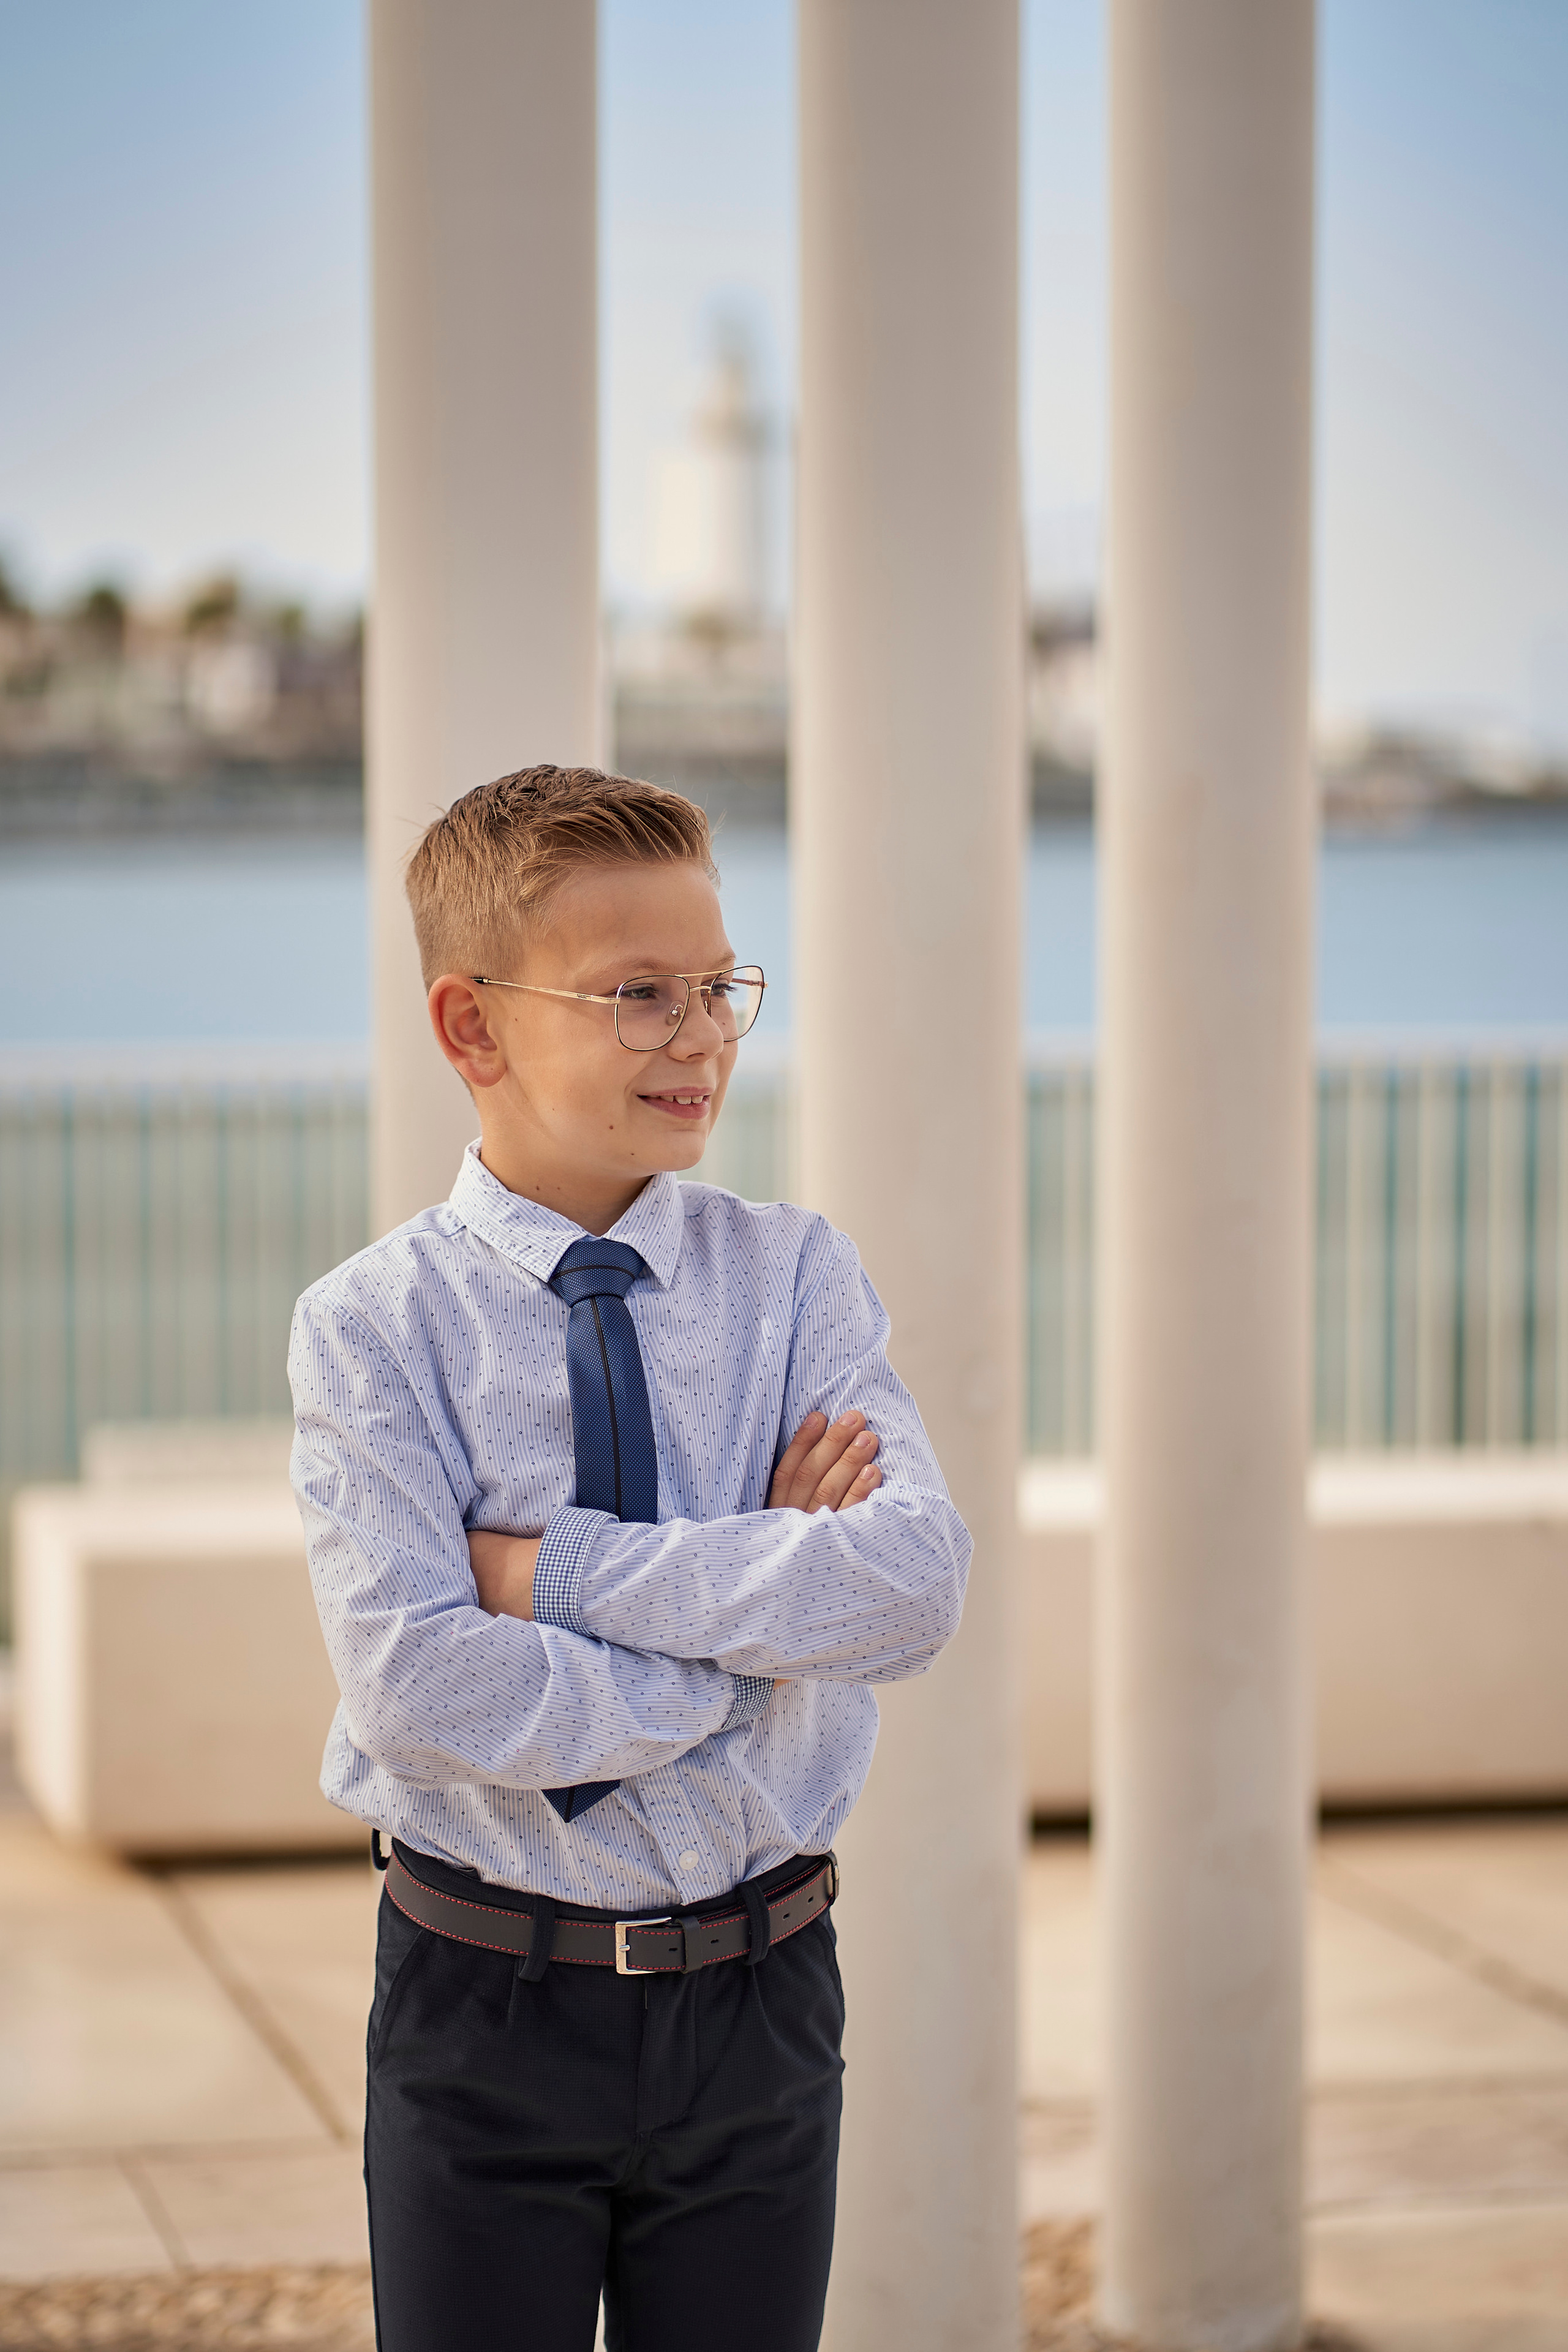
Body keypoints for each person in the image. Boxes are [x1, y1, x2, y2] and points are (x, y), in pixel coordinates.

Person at [288, 763, 971, 2352]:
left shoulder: (796, 1277)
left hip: (764, 1998)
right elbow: (418, 1689)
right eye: (640, 994)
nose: (705, 1034)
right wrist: (756, 1642)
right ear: (473, 1028)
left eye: (721, 986)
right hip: (485, 2011)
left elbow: (910, 1590)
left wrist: (549, 1576)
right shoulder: (374, 1328)